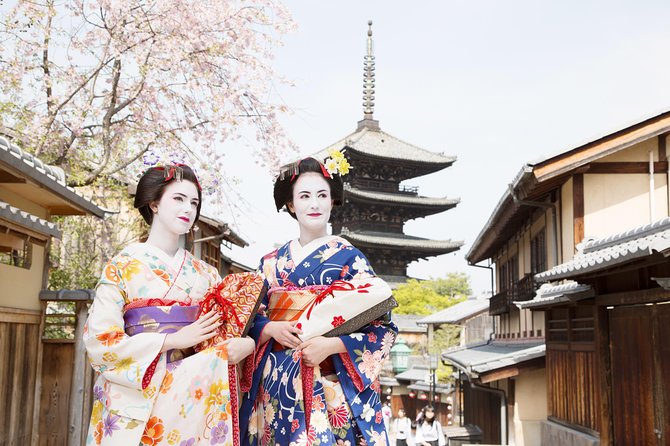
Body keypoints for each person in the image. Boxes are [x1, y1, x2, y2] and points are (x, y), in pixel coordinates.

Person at [84, 164, 256, 445]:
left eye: (194, 202)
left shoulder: (206, 274)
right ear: (154, 203)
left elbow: (229, 331)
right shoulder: (123, 266)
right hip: (133, 399)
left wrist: (246, 345)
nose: (188, 208)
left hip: (191, 400)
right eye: (178, 199)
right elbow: (99, 341)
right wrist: (171, 340)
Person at [239, 154, 398, 446]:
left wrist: (332, 345)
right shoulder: (270, 263)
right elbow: (247, 318)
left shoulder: (351, 260)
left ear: (333, 202)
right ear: (291, 204)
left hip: (328, 388)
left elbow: (383, 331)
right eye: (305, 196)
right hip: (275, 388)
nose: (314, 204)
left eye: (322, 195)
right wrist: (269, 329)